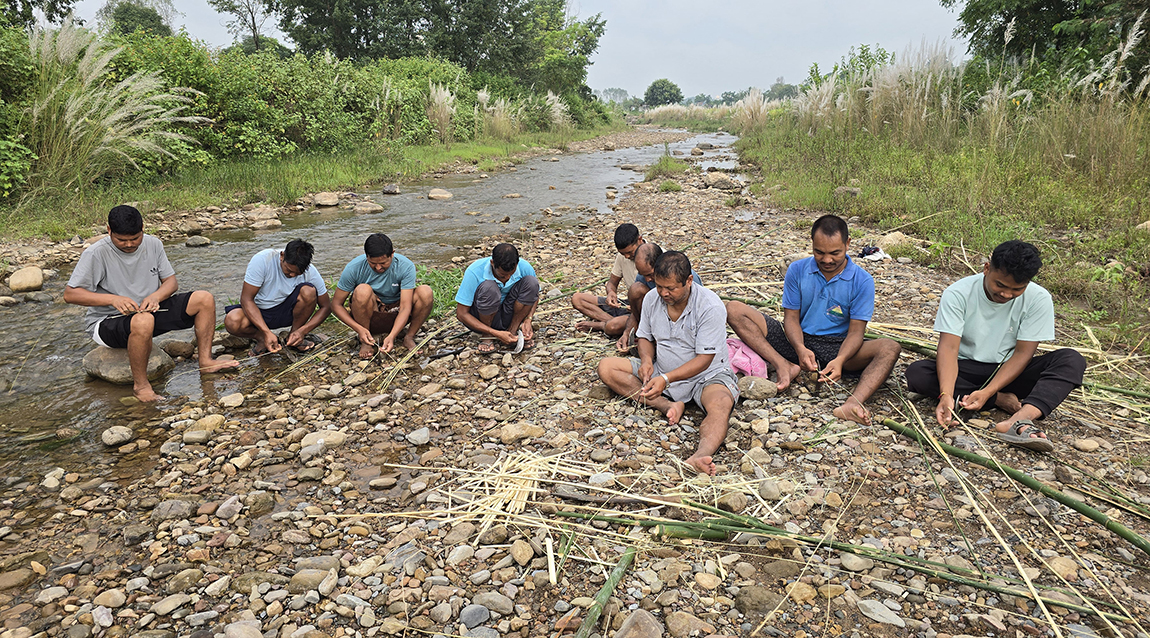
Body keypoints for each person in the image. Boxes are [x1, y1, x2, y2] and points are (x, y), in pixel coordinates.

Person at [905, 240, 1086, 452]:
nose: (1007, 294)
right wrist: (946, 395)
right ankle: (999, 400)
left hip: (1011, 369)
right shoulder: (958, 293)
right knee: (917, 373)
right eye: (1000, 285)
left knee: (1071, 360)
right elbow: (949, 349)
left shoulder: (1039, 299)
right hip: (967, 368)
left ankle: (1020, 418)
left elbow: (1022, 354)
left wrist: (989, 389)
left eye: (1017, 289)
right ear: (987, 268)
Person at [726, 214, 900, 426]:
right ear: (812, 244)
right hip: (797, 339)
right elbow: (790, 318)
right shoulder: (798, 270)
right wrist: (799, 347)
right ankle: (784, 365)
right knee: (734, 309)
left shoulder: (862, 281)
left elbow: (856, 333)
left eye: (835, 253)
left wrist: (841, 360)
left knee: (889, 348)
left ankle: (852, 403)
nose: (827, 260)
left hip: (838, 346)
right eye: (819, 252)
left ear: (848, 244)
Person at [64, 205, 239, 402]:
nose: (129, 244)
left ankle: (206, 361)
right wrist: (112, 299)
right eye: (121, 240)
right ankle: (141, 386)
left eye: (135, 239)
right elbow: (70, 294)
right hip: (108, 322)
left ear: (143, 229)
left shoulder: (153, 244)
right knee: (143, 321)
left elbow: (171, 282)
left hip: (148, 310)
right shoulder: (96, 253)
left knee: (204, 299)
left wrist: (156, 296)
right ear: (109, 230)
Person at [597, 251, 738, 476]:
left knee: (720, 405)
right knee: (606, 367)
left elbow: (704, 360)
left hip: (707, 375)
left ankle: (700, 455)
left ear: (689, 281)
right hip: (663, 370)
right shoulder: (653, 298)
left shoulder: (710, 306)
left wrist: (666, 379)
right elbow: (644, 336)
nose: (664, 293)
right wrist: (646, 361)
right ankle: (667, 406)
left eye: (671, 288)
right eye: (660, 286)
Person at [330, 233, 434, 359]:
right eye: (373, 263)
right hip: (371, 314)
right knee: (362, 290)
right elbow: (336, 305)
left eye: (383, 263)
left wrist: (392, 337)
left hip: (396, 312)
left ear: (392, 254)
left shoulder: (405, 266)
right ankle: (366, 340)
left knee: (425, 292)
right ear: (366, 256)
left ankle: (409, 336)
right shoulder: (354, 268)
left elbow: (405, 307)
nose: (378, 267)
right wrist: (358, 329)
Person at [224, 239, 333, 355]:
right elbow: (246, 299)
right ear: (282, 256)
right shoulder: (263, 260)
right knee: (232, 321)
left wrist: (303, 331)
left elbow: (326, 306)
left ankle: (294, 337)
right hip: (260, 313)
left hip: (288, 312)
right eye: (289, 270)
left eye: (297, 274)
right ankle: (261, 338)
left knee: (308, 291)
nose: (292, 275)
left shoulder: (310, 271)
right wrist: (266, 332)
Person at [614, 242, 703, 352]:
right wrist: (627, 332)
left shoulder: (684, 277)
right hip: (656, 319)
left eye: (650, 275)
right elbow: (636, 309)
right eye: (643, 275)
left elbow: (697, 309)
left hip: (682, 324)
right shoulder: (644, 281)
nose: (647, 279)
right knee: (635, 291)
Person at [455, 243, 539, 353]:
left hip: (508, 314)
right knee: (489, 288)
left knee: (532, 283)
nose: (507, 278)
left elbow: (534, 295)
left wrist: (528, 319)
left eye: (511, 274)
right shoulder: (475, 271)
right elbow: (461, 313)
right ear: (492, 263)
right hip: (482, 316)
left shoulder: (524, 267)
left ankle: (512, 331)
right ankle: (487, 335)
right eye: (502, 275)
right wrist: (495, 333)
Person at [571, 223, 643, 335]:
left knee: (613, 327)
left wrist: (638, 307)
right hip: (629, 305)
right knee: (577, 299)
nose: (627, 257)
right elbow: (612, 282)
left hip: (643, 310)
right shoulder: (623, 257)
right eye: (623, 253)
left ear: (640, 240)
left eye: (630, 252)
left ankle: (603, 325)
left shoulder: (654, 255)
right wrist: (611, 293)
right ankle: (610, 321)